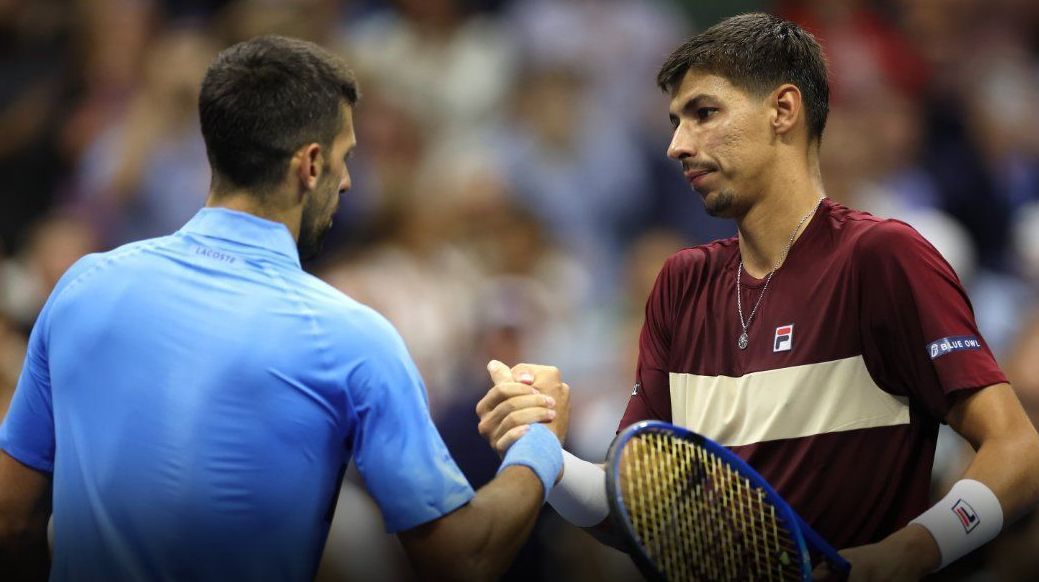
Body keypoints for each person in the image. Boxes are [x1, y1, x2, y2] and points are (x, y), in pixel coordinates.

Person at [476, 13, 1039, 580]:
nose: (676, 145)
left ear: (783, 110)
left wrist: (914, 549)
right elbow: (633, 510)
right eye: (675, 122)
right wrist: (546, 453)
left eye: (703, 113)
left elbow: (1018, 450)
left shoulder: (883, 259)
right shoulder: (680, 282)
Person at [0, 35, 569, 581]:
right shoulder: (353, 338)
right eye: (346, 158)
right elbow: (461, 559)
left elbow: (12, 522)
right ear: (311, 164)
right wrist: (539, 444)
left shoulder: (82, 288)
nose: (348, 183)